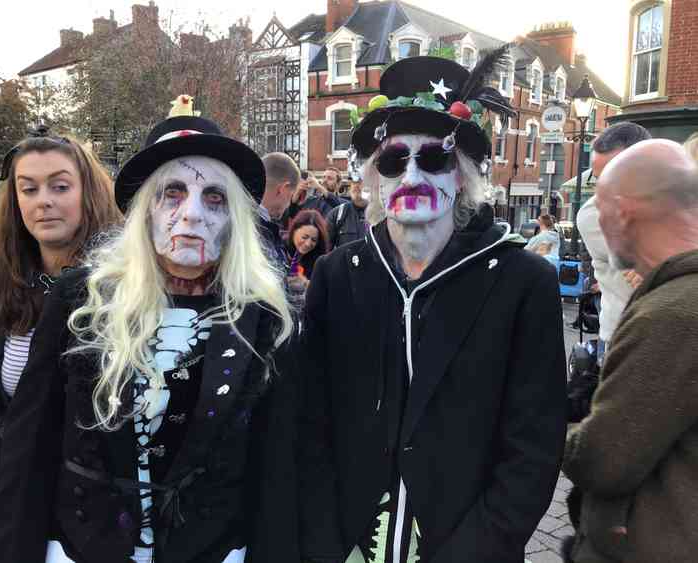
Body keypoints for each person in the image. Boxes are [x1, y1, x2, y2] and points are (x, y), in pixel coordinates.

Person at [0, 110, 298, 563]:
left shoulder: (264, 318)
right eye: (172, 194)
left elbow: (276, 462)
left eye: (215, 198)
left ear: (236, 218)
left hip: (209, 550)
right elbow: (32, 440)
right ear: (146, 211)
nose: (192, 215)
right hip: (84, 545)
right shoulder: (82, 298)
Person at [299, 48, 567, 563]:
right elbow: (311, 421)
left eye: (435, 157)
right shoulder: (338, 276)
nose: (413, 176)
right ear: (374, 177)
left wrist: (476, 549)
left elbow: (533, 443)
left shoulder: (522, 282)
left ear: (462, 174)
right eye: (394, 160)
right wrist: (324, 538)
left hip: (464, 544)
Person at [0, 129, 122, 551]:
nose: (43, 200)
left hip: (98, 503)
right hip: (19, 488)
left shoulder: (124, 283)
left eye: (60, 186)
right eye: (29, 189)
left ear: (88, 193)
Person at [563, 140, 698, 563]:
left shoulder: (672, 314)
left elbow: (604, 460)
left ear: (622, 212)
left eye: (600, 209)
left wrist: (541, 427)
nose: (597, 227)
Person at [576, 122, 651, 362]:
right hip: (626, 342)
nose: (603, 191)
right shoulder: (594, 215)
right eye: (598, 179)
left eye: (613, 176)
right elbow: (651, 274)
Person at [260, 152, 300, 269]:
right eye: (291, 195)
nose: (289, 204)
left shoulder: (239, 218)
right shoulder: (258, 230)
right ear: (283, 189)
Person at [287, 209, 330, 288]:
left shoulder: (319, 262)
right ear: (294, 231)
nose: (308, 244)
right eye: (304, 237)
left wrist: (306, 283)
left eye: (313, 240)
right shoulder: (279, 249)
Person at [326, 178, 368, 249]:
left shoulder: (382, 215)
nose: (357, 186)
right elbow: (326, 248)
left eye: (361, 182)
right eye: (354, 182)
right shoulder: (337, 214)